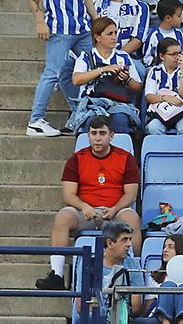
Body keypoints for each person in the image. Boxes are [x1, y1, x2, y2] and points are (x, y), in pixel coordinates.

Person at [33, 117, 141, 290]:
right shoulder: (77, 159)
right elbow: (68, 195)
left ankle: (133, 272)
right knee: (63, 216)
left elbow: (131, 194)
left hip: (113, 213)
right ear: (88, 136)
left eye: (102, 133)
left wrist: (114, 209)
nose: (97, 138)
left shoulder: (126, 158)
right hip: (86, 212)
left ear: (111, 136)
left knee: (132, 217)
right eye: (94, 133)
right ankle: (57, 275)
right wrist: (83, 206)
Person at [27, 0, 98, 137]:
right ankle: (35, 121)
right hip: (60, 28)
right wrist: (40, 21)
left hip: (82, 28)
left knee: (92, 68)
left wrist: (96, 19)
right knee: (53, 72)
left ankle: (80, 112)